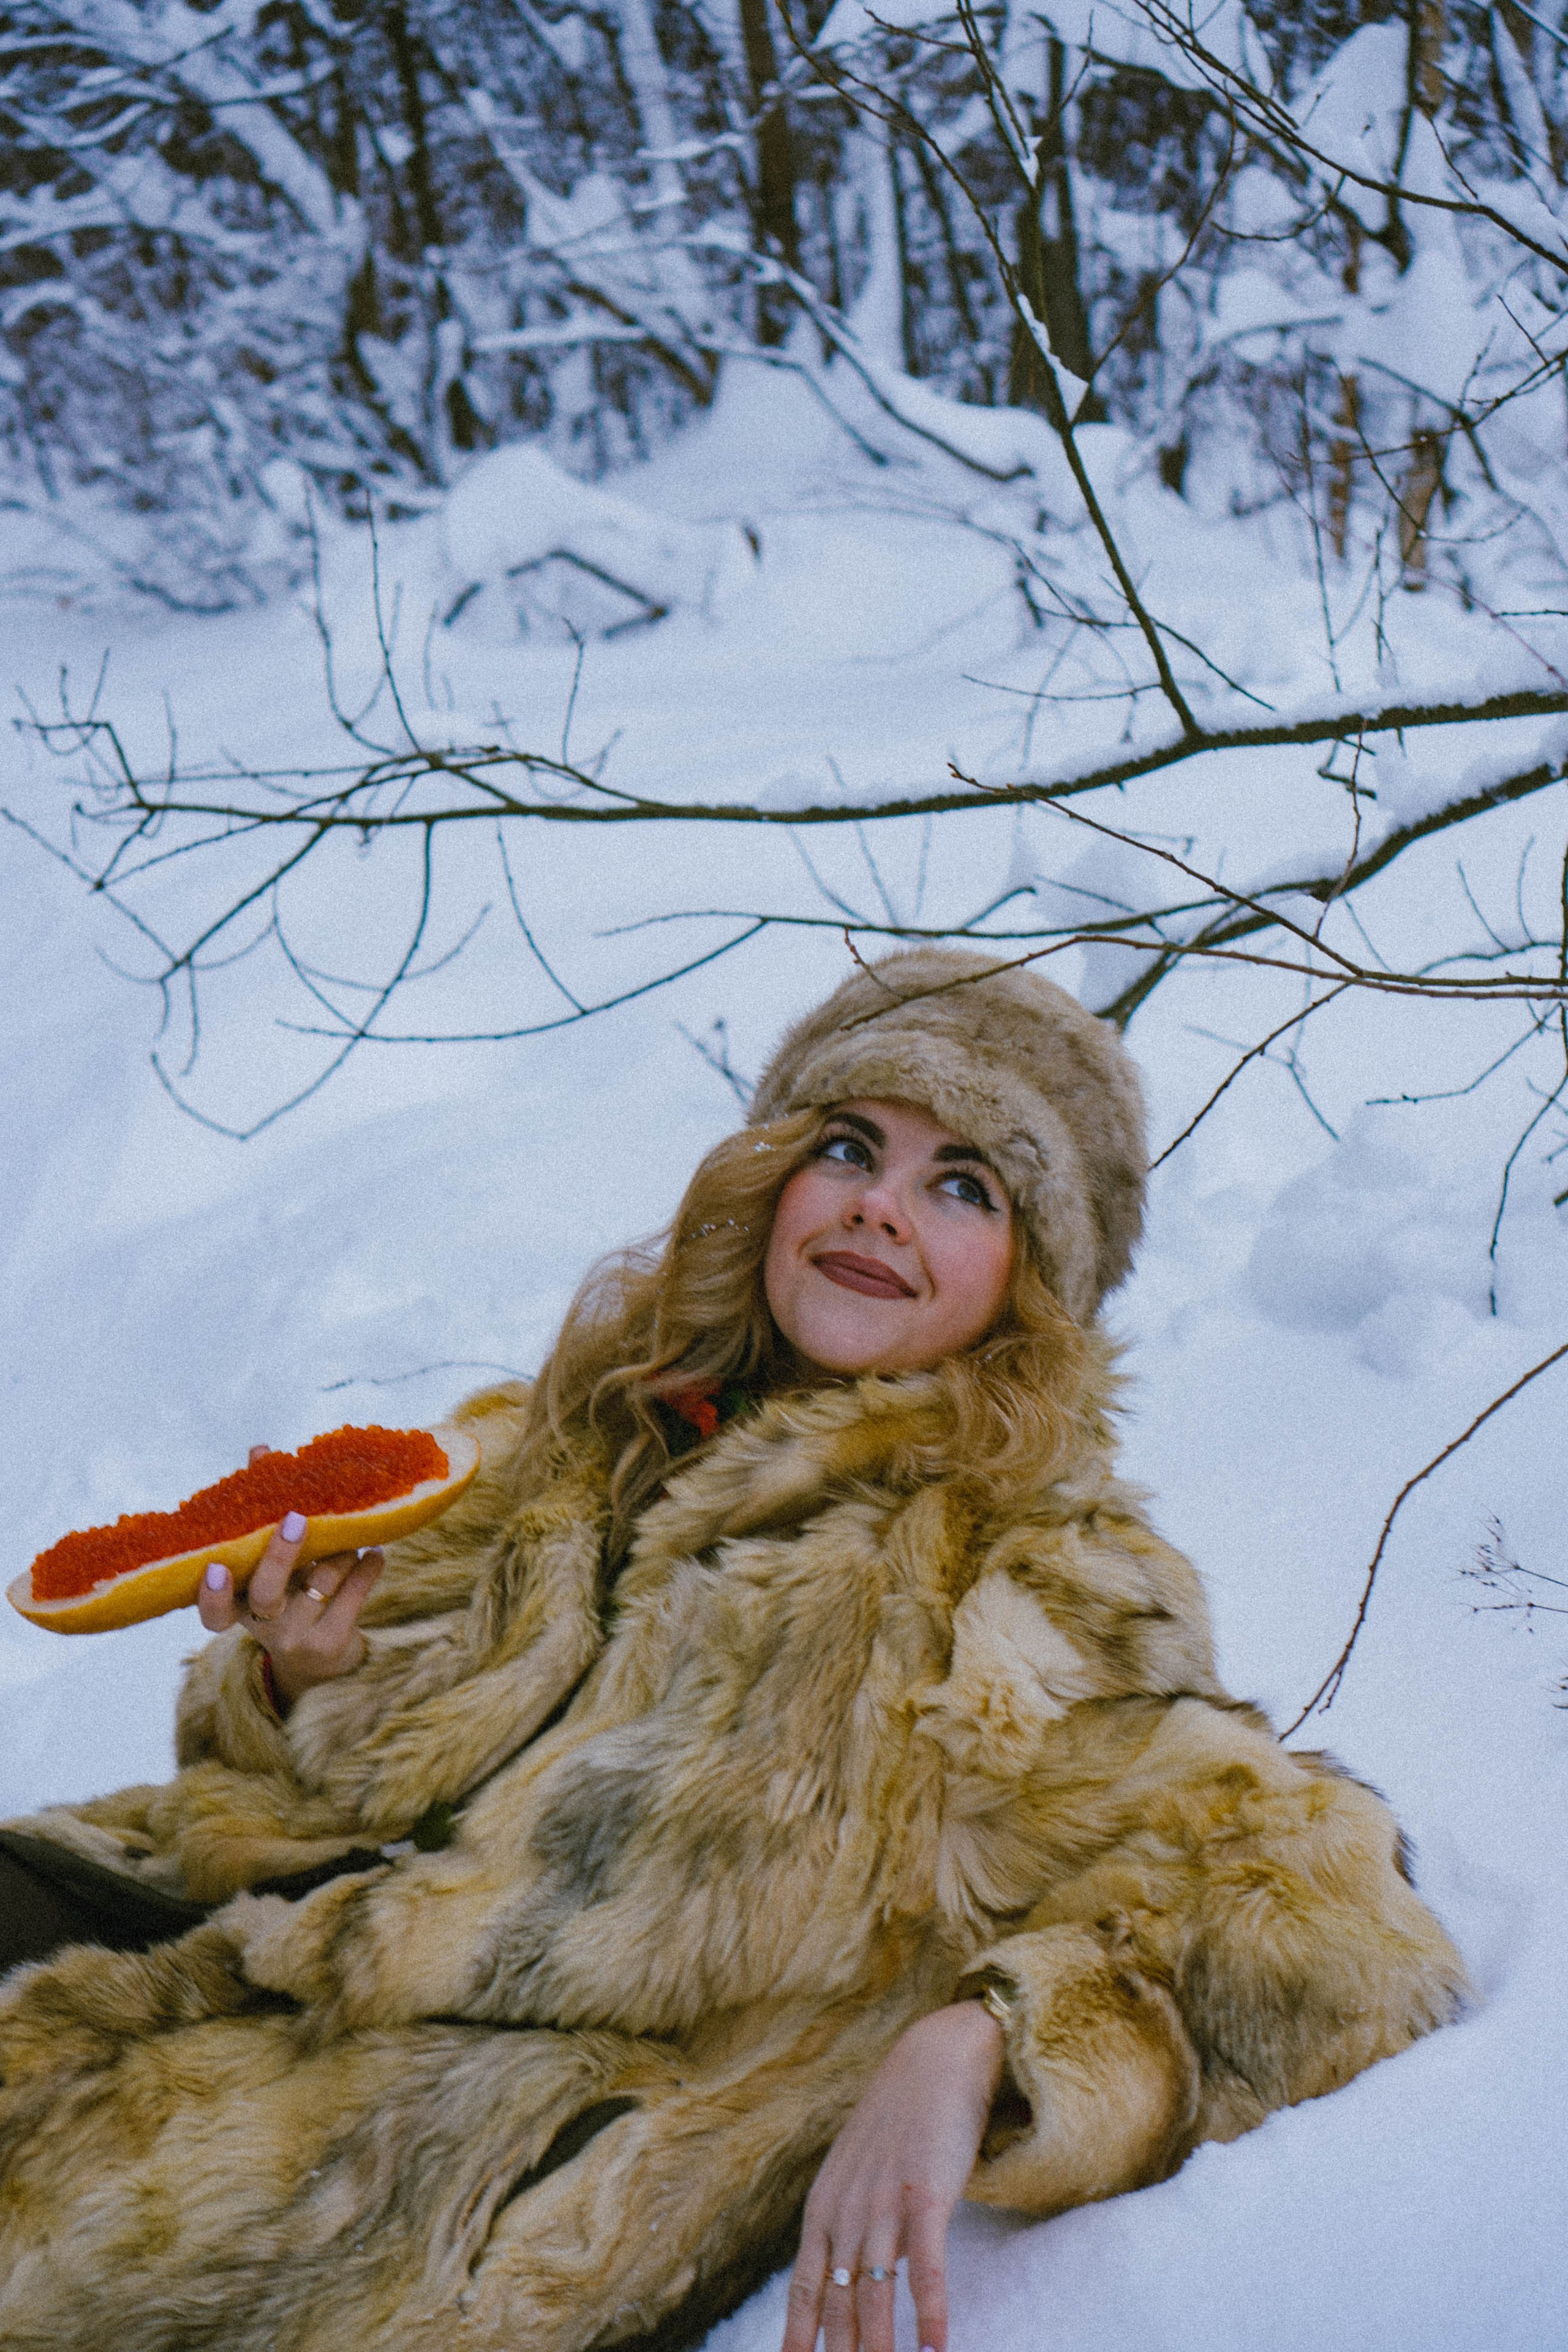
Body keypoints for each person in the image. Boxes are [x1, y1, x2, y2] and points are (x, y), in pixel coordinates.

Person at [0, 948, 1466, 2352]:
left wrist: (980, 2041)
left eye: (960, 1185)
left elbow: (1330, 1922)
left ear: (1029, 1281)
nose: (879, 1208)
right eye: (847, 1148)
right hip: (255, 1939)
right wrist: (296, 1681)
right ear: (769, 1182)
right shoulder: (567, 1438)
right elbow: (318, 1799)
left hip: (454, 2139)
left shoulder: (1025, 1570)